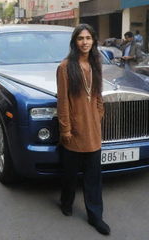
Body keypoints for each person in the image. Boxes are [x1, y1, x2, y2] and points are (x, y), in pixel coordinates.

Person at [56, 24, 110, 235]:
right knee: (70, 175)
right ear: (75, 42)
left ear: (94, 41)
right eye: (81, 38)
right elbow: (62, 102)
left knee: (93, 177)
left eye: (88, 38)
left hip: (93, 130)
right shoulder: (65, 67)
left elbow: (98, 94)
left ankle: (95, 216)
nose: (85, 42)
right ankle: (66, 202)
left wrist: (98, 113)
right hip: (73, 131)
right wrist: (66, 130)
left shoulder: (96, 63)